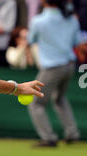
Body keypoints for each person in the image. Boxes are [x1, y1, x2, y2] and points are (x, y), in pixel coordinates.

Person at [28, 0, 81, 147]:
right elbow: (77, 41)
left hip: (52, 67)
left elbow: (31, 39)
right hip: (69, 66)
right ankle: (72, 133)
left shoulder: (38, 21)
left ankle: (48, 137)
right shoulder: (71, 19)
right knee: (59, 98)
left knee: (36, 103)